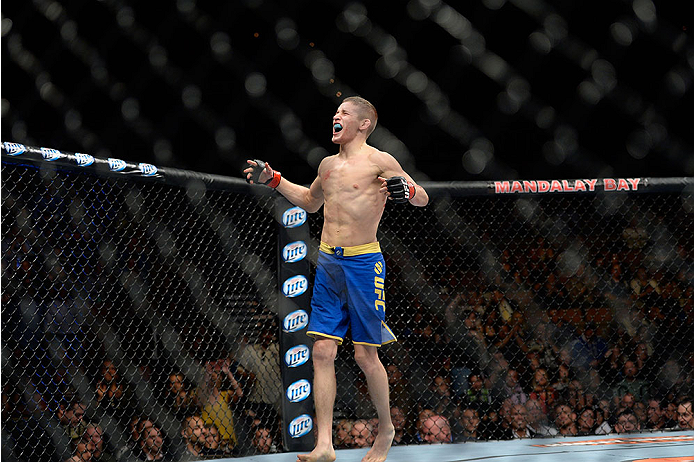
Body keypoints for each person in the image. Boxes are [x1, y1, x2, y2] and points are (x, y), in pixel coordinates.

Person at [245, 95, 429, 462]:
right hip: (329, 260)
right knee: (323, 350)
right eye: (336, 111)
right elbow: (310, 202)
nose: (335, 115)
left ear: (363, 124)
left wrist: (405, 190)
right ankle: (325, 444)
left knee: (365, 356)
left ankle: (386, 428)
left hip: (363, 262)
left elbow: (422, 197)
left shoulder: (379, 160)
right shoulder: (327, 164)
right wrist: (274, 180)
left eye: (344, 112)